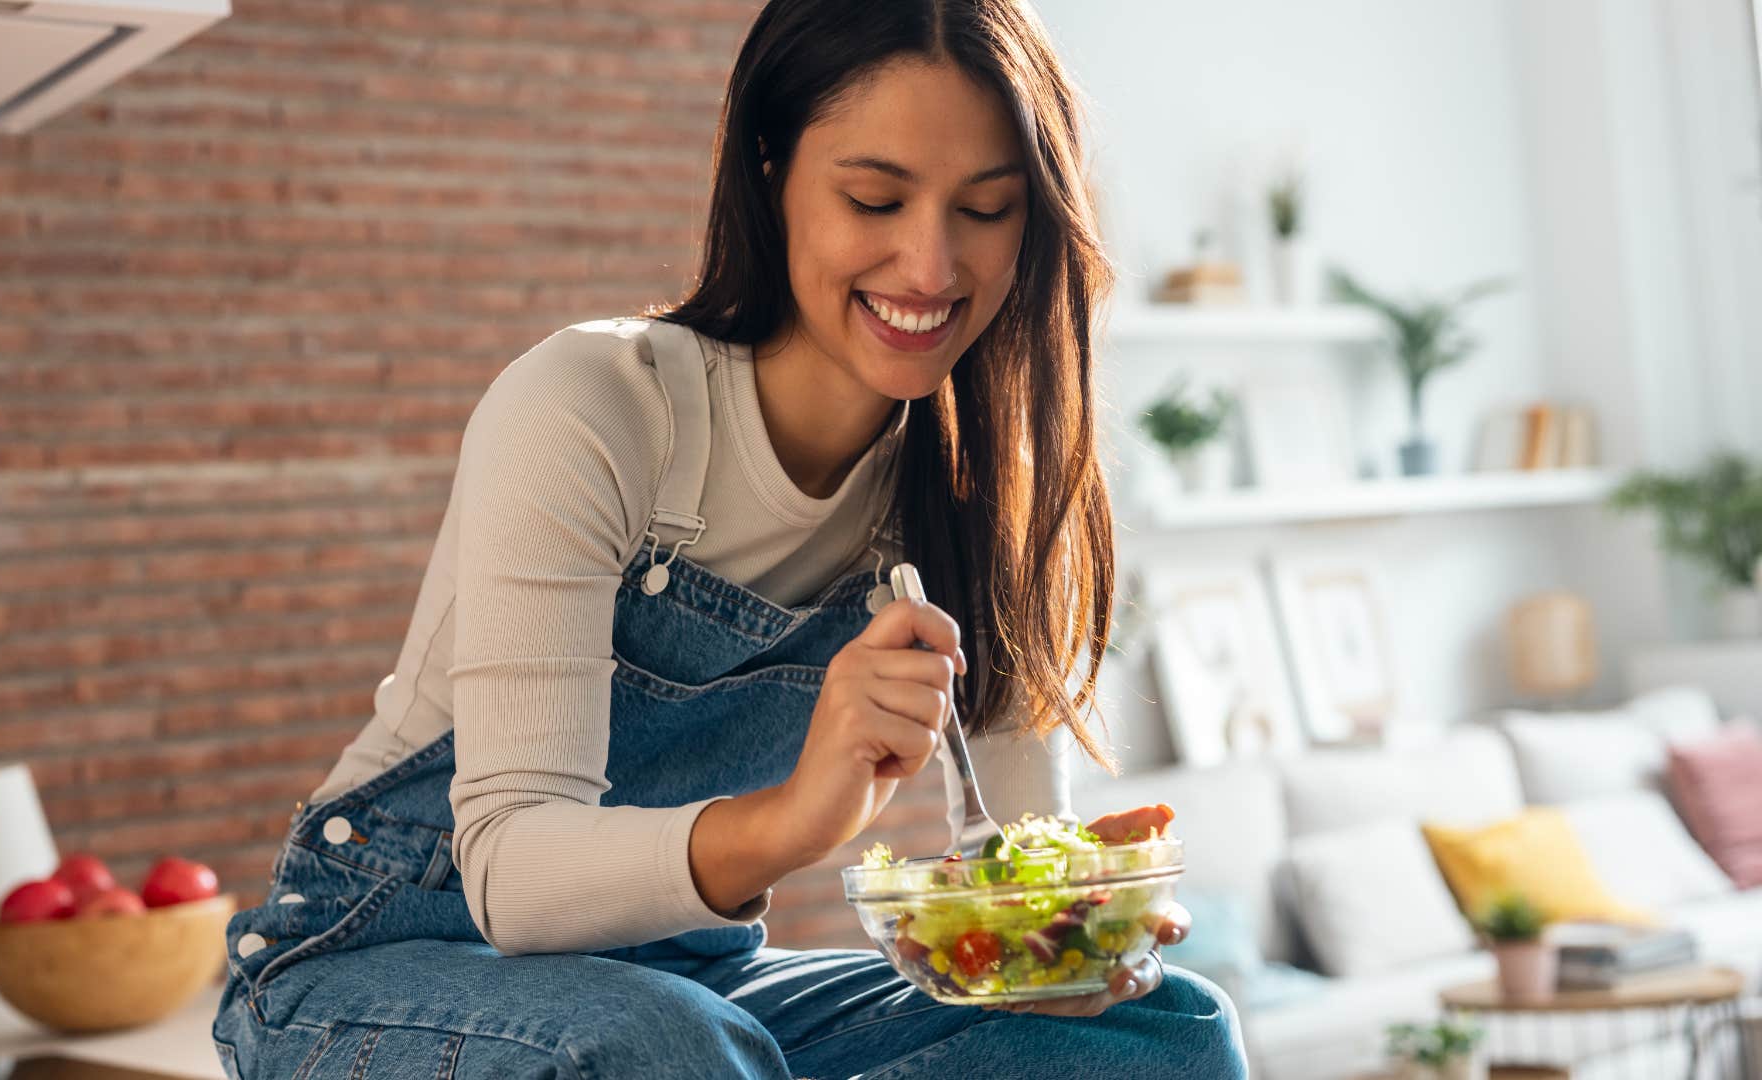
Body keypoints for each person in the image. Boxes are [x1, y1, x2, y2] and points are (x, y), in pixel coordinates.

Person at [212, 1, 1247, 1076]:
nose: (931, 264)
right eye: (874, 199)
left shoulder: (975, 490)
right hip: (377, 963)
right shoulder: (594, 407)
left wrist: (1070, 926)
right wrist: (795, 820)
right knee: (669, 1043)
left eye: (986, 208)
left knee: (1166, 1028)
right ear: (768, 171)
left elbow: (1017, 886)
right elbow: (512, 875)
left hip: (685, 989)